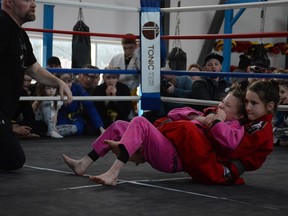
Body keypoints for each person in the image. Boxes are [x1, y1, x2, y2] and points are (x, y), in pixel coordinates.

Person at [62, 88, 247, 185]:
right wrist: (198, 116)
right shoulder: (208, 114)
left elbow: (230, 143)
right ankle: (83, 163)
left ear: (238, 116)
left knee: (140, 122)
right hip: (166, 142)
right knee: (119, 125)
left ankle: (113, 173)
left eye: (227, 106)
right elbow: (175, 112)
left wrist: (218, 123)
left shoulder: (235, 127)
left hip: (176, 157)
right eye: (222, 102)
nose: (221, 107)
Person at [158, 80, 279, 185]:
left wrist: (216, 123)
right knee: (166, 121)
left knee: (186, 129)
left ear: (269, 106)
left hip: (221, 170)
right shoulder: (252, 118)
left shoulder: (262, 128)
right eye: (247, 102)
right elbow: (220, 111)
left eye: (254, 103)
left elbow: (232, 150)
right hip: (215, 162)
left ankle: (155, 138)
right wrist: (209, 115)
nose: (248, 107)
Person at [0, 0, 72, 170]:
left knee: (14, 159)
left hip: (5, 110)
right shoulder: (2, 25)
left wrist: (58, 81)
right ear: (9, 3)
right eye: (26, 0)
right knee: (14, 158)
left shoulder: (20, 34)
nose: (33, 4)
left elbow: (34, 69)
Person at [12, 73, 48, 138]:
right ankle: (14, 132)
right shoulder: (8, 90)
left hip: (16, 123)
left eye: (29, 81)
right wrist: (12, 127)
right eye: (24, 80)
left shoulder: (29, 90)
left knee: (43, 126)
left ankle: (19, 132)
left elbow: (29, 116)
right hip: (4, 122)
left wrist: (26, 128)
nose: (26, 84)